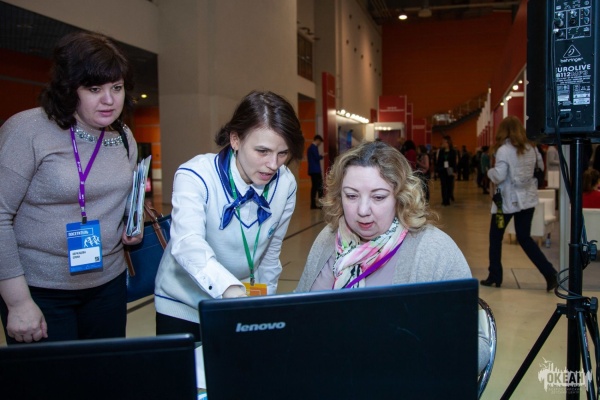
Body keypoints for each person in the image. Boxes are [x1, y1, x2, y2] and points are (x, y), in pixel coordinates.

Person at [295, 140, 490, 373]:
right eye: (351, 196)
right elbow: (296, 314)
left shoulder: (434, 250)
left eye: (378, 197)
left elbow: (476, 349)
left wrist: (409, 352)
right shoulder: (327, 238)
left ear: (400, 196)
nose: (363, 210)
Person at [0, 31, 141, 344]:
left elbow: (122, 198)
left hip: (108, 284)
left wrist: (131, 224)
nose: (109, 100)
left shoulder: (123, 135)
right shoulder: (27, 130)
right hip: (41, 291)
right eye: (94, 89)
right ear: (68, 88)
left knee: (105, 371)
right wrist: (17, 302)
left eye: (117, 88)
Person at [154, 91, 305, 340]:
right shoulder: (196, 175)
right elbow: (187, 243)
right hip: (183, 304)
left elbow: (271, 252)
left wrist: (265, 303)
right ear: (235, 139)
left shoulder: (285, 184)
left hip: (241, 301)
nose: (273, 164)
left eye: (283, 153)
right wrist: (230, 289)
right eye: (262, 151)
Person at [480, 116, 558, 291]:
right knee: (525, 238)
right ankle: (550, 273)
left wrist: (489, 172)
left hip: (506, 201)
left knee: (495, 238)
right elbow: (540, 168)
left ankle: (495, 275)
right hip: (528, 199)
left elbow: (499, 175)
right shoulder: (531, 148)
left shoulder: (503, 150)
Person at [435, 136, 457, 205]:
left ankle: (448, 198)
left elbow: (454, 162)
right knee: (443, 185)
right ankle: (444, 200)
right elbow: (439, 161)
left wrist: (454, 172)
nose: (443, 143)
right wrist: (437, 170)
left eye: (444, 142)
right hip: (442, 169)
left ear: (448, 143)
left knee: (449, 185)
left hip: (450, 169)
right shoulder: (441, 151)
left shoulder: (453, 151)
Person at [307, 135, 324, 209]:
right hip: (315, 170)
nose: (320, 143)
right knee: (319, 187)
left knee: (315, 187)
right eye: (320, 142)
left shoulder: (310, 148)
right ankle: (319, 204)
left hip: (313, 170)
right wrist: (322, 156)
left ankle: (314, 204)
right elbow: (316, 158)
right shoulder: (313, 148)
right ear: (317, 140)